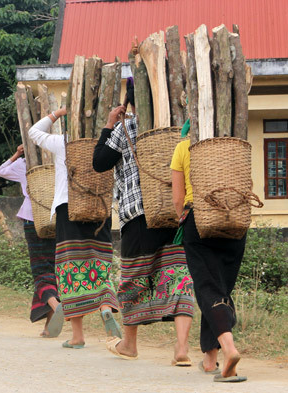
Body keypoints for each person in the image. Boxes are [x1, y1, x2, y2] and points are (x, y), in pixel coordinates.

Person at [92, 79, 194, 362]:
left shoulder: (129, 126)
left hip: (138, 215)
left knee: (134, 279)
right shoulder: (180, 128)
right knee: (179, 279)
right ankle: (182, 348)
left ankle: (129, 344)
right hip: (176, 215)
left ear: (132, 101)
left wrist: (109, 125)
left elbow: (100, 161)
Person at [29, 107, 121, 349]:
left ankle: (78, 336)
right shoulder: (108, 142)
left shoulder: (63, 142)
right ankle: (104, 307)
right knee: (98, 265)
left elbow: (34, 132)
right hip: (100, 209)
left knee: (71, 271)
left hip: (67, 210)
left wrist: (57, 113)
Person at [171, 138, 247, 382]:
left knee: (207, 289)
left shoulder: (184, 147)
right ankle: (210, 360)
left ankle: (228, 349)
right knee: (219, 289)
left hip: (199, 219)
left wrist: (181, 222)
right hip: (235, 216)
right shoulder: (237, 143)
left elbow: (177, 199)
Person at [0, 144, 61, 337]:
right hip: (58, 218)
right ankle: (49, 326)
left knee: (40, 270)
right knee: (53, 268)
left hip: (33, 218)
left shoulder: (25, 164)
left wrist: (17, 153)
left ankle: (56, 305)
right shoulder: (60, 161)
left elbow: (1, 171)